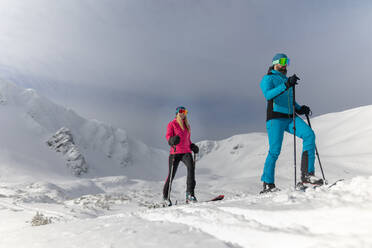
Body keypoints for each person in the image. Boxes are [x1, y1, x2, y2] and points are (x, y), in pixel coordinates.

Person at [260, 53, 323, 193]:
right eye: (282, 61)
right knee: (275, 150)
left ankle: (307, 175)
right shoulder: (268, 78)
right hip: (275, 118)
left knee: (309, 135)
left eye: (287, 61)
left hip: (289, 117)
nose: (285, 64)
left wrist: (300, 109)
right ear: (275, 63)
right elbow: (268, 95)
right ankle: (268, 183)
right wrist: (286, 84)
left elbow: (289, 100)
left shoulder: (286, 80)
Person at [163, 106, 199, 205]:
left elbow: (187, 140)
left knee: (191, 170)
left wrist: (192, 146)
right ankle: (166, 197)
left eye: (185, 111)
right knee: (171, 174)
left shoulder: (187, 125)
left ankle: (190, 195)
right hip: (175, 152)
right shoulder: (172, 124)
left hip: (186, 151)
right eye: (181, 111)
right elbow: (168, 137)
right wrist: (172, 140)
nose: (183, 113)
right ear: (177, 113)